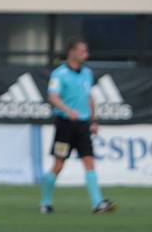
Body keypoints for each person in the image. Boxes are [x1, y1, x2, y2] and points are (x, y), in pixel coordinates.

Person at [40, 37, 116, 214]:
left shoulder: (87, 73)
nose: (86, 55)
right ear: (72, 52)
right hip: (65, 126)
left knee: (89, 162)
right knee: (58, 164)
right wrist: (67, 111)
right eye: (83, 51)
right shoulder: (59, 74)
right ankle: (45, 201)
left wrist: (93, 120)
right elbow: (53, 97)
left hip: (82, 125)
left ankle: (97, 203)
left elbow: (89, 97)